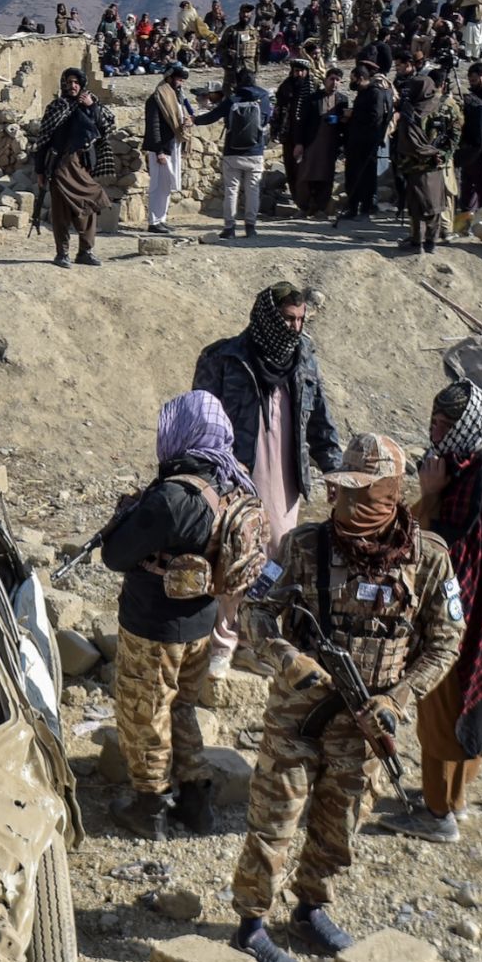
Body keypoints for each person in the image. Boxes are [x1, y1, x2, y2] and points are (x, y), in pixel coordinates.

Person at [229, 434, 465, 962]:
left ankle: (311, 909)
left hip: (364, 724)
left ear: (393, 496)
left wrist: (398, 698)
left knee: (339, 825)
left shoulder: (427, 560)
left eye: (365, 497)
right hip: (298, 714)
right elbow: (256, 613)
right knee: (274, 819)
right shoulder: (303, 547)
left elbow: (445, 640)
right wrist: (291, 661)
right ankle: (250, 925)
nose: (348, 507)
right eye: (342, 493)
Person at [102, 393, 263, 839]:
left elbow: (115, 556)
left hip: (154, 624)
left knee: (145, 711)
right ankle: (196, 802)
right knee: (183, 708)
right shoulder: (235, 481)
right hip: (202, 620)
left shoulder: (174, 497)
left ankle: (148, 805)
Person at [384, 382, 482, 843]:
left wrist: (428, 494)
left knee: (442, 712)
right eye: (433, 423)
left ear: (465, 428)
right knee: (474, 705)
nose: (434, 434)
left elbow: (425, 547)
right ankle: (457, 799)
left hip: (461, 617)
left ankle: (435, 816)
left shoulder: (471, 483)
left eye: (444, 427)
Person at [193, 282, 344, 676]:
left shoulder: (304, 357)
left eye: (300, 320)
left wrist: (334, 468)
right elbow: (202, 422)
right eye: (287, 320)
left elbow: (320, 417)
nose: (294, 329)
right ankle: (225, 642)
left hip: (286, 475)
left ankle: (256, 639)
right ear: (267, 319)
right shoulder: (224, 358)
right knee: (235, 556)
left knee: (276, 557)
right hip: (237, 475)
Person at [33, 68, 116, 266]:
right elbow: (43, 141)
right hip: (60, 166)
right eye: (69, 82)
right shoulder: (56, 107)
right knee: (61, 211)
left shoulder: (92, 105)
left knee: (90, 204)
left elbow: (105, 127)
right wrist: (39, 171)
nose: (73, 86)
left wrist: (91, 107)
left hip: (83, 166)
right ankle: (62, 253)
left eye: (76, 82)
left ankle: (85, 251)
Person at [194, 68, 275, 239]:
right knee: (253, 190)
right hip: (255, 151)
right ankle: (250, 227)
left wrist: (194, 120)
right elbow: (267, 119)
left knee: (231, 190)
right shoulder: (263, 98)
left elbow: (211, 116)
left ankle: (229, 228)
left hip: (233, 152)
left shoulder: (232, 99)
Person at [392, 73, 461, 253]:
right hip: (436, 164)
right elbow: (455, 133)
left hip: (416, 165)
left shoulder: (410, 111)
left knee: (418, 206)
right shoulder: (444, 107)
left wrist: (435, 153)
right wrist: (444, 154)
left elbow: (408, 142)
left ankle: (418, 243)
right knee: (434, 205)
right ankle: (431, 242)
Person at [340, 62, 394, 221]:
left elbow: (374, 118)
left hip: (367, 143)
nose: (352, 83)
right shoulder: (363, 92)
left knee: (366, 176)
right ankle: (352, 207)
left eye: (353, 79)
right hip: (356, 141)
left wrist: (353, 114)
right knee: (352, 175)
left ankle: (366, 207)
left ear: (361, 78)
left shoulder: (375, 93)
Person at [142, 64, 193, 233]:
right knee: (158, 185)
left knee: (166, 186)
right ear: (169, 78)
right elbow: (154, 126)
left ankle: (161, 219)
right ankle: (154, 222)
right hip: (162, 148)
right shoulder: (157, 98)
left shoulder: (175, 97)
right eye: (179, 80)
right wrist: (159, 151)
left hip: (173, 145)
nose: (181, 84)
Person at [296, 66, 350, 215]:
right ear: (325, 80)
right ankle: (304, 207)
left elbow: (345, 122)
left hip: (330, 145)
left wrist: (340, 119)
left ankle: (320, 207)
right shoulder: (312, 99)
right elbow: (302, 122)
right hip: (312, 143)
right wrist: (299, 143)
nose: (334, 82)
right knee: (306, 175)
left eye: (338, 80)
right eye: (332, 79)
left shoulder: (342, 100)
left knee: (326, 176)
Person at [455, 63, 482, 222]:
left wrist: (476, 103)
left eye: (474, 80)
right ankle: (466, 217)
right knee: (467, 183)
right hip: (469, 144)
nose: (472, 83)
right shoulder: (472, 92)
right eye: (470, 80)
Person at [275, 59, 319, 201]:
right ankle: (297, 199)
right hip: (289, 134)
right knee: (291, 168)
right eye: (296, 71)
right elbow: (278, 110)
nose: (299, 74)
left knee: (307, 169)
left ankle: (310, 200)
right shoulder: (286, 86)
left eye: (301, 71)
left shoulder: (314, 87)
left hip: (309, 136)